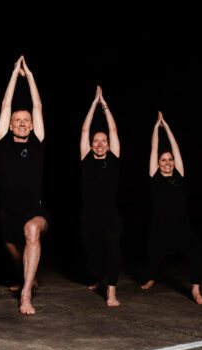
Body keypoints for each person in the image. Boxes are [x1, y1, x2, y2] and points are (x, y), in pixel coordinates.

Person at [0, 55, 48, 315]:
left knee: (31, 232)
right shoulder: (3, 143)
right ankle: (28, 276)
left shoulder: (36, 144)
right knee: (15, 252)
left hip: (33, 211)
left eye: (26, 120)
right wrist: (15, 73)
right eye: (18, 120)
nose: (23, 122)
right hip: (7, 213)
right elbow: (6, 103)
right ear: (10, 125)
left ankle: (26, 293)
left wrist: (31, 77)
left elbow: (37, 106)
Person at [140, 111, 202, 305]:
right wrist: (156, 127)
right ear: (159, 164)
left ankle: (196, 290)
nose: (168, 162)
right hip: (160, 226)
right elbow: (154, 148)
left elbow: (176, 147)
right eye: (164, 160)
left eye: (170, 160)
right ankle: (151, 277)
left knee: (195, 250)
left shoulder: (180, 176)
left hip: (181, 226)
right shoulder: (155, 178)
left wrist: (167, 127)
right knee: (153, 254)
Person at [79, 86, 122, 306]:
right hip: (89, 216)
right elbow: (85, 130)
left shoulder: (113, 159)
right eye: (96, 141)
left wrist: (103, 104)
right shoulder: (86, 158)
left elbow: (113, 130)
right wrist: (92, 105)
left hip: (110, 214)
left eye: (103, 140)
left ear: (107, 144)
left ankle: (111, 291)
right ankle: (102, 276)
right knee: (94, 252)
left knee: (113, 248)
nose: (99, 143)